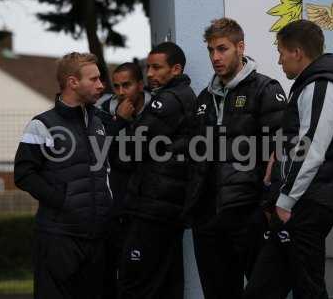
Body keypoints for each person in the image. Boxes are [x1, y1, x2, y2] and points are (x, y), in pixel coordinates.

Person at [244, 19, 333, 298]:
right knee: (263, 288)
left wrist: (286, 201)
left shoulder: (323, 85)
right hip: (297, 203)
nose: (280, 60)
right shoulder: (310, 85)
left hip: (304, 205)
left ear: (297, 51)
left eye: (282, 52)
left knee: (308, 288)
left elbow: (312, 149)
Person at [191, 17, 287, 299]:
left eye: (222, 49)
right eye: (211, 50)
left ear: (240, 47)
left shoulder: (265, 90)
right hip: (209, 219)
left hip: (250, 215)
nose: (215, 57)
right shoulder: (204, 99)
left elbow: (281, 151)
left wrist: (267, 206)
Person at [14, 52, 113, 298]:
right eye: (94, 79)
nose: (101, 85)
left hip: (97, 237)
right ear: (73, 82)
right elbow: (23, 173)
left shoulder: (100, 122)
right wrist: (62, 200)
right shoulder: (42, 124)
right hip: (58, 238)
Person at [117, 42, 197, 299]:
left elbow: (132, 149)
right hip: (165, 206)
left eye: (156, 67)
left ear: (175, 69)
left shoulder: (169, 100)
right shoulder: (181, 96)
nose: (149, 74)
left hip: (153, 207)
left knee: (134, 280)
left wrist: (121, 122)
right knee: (164, 283)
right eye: (147, 67)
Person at [97, 62, 151, 299]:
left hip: (146, 205)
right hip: (116, 205)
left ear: (140, 85)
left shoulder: (155, 109)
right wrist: (119, 122)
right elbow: (101, 152)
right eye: (116, 86)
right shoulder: (105, 111)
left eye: (126, 85)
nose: (121, 92)